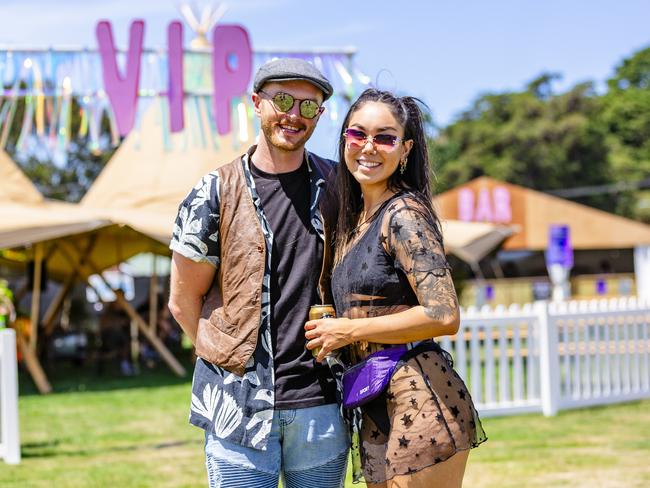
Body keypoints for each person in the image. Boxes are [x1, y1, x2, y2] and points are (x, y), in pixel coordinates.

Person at [168, 58, 349, 488]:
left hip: (320, 405)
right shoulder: (213, 190)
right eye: (283, 99)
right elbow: (182, 300)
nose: (295, 115)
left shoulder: (339, 185)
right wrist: (231, 360)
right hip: (238, 408)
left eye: (309, 107)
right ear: (256, 103)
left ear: (320, 116)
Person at [305, 88, 486, 487]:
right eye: (358, 134)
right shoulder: (354, 222)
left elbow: (444, 314)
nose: (369, 147)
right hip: (373, 400)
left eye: (385, 138)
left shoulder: (403, 213)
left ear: (404, 150)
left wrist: (347, 330)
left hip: (420, 396)